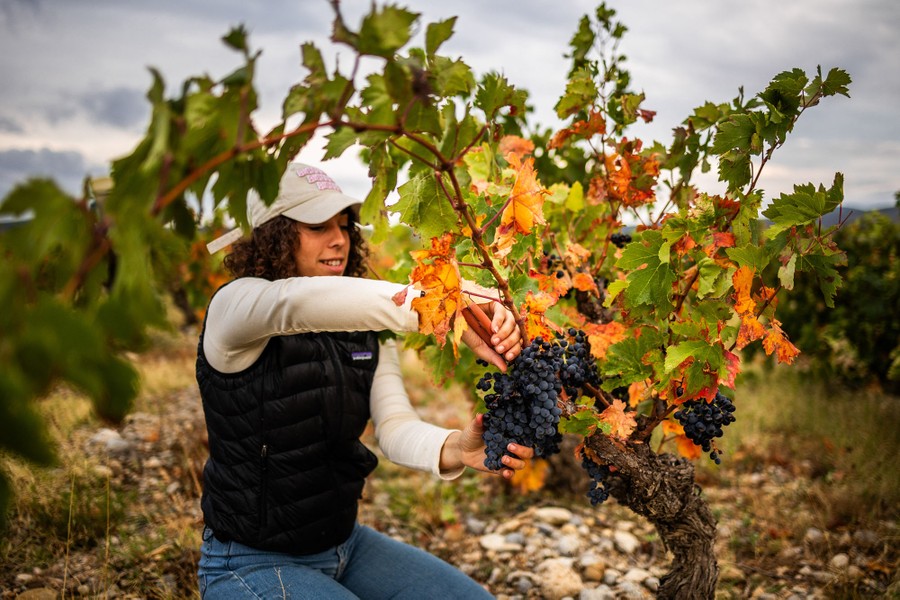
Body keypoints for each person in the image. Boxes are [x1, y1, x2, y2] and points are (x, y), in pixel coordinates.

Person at [196, 162, 531, 599]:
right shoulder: (236, 307)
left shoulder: (363, 331)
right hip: (249, 561)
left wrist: (454, 448)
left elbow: (394, 427)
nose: (339, 238)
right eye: (317, 225)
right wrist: (443, 301)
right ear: (272, 234)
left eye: (344, 224)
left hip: (345, 545)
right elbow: (293, 303)